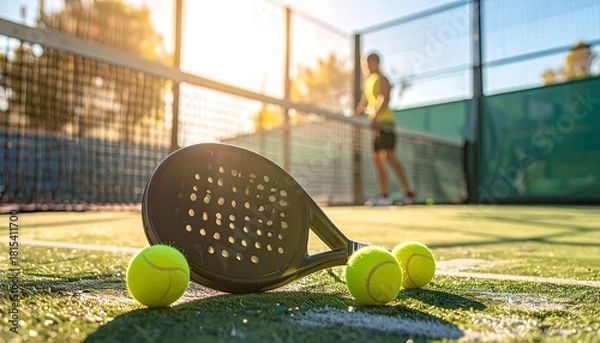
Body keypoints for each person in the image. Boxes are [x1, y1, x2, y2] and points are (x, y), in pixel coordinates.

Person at [354, 52, 415, 206]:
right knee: (377, 159)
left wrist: (375, 115)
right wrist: (356, 114)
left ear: (376, 63)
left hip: (385, 124)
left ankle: (408, 192)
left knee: (388, 156)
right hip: (376, 126)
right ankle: (384, 195)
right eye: (365, 64)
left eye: (369, 63)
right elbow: (365, 101)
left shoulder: (383, 79)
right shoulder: (368, 82)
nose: (367, 66)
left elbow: (384, 98)